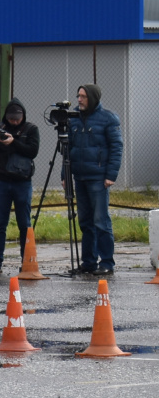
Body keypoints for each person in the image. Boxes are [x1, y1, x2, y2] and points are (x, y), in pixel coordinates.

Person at [65, 83, 123, 275]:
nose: (79, 100)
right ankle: (88, 262)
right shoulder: (73, 119)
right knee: (85, 221)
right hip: (79, 177)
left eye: (83, 96)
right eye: (78, 96)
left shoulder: (108, 118)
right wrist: (65, 175)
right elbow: (67, 150)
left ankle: (107, 262)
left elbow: (116, 148)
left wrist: (110, 175)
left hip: (98, 178)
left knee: (101, 221)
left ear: (92, 98)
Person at [0, 98, 40, 275]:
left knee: (24, 223)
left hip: (22, 182)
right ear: (6, 117)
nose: (14, 121)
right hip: (2, 181)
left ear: (23, 116)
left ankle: (26, 261)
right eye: (11, 118)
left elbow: (32, 152)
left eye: (17, 118)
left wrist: (13, 142)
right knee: (0, 223)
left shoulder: (31, 129)